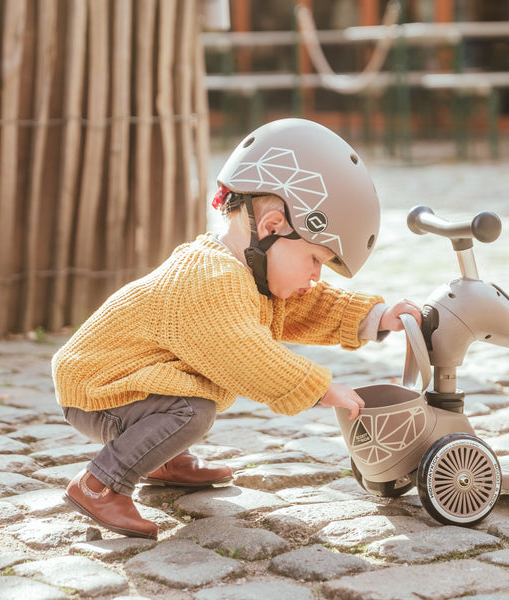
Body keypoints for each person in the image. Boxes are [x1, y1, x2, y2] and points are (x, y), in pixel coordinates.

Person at [52, 118, 421, 540]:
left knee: (192, 398)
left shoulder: (247, 274)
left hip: (124, 381)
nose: (317, 276)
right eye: (315, 260)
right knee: (192, 410)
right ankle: (100, 485)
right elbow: (244, 355)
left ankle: (164, 460)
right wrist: (320, 387)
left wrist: (376, 316)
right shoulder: (212, 278)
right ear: (272, 227)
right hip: (100, 388)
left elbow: (305, 306)